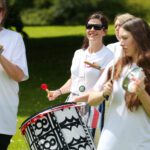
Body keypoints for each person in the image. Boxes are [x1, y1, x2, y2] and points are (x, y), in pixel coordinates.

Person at [74, 17, 150, 150]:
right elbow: (92, 99)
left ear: (139, 38)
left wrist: (142, 93)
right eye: (120, 38)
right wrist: (103, 93)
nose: (120, 43)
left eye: (125, 38)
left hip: (140, 144)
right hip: (109, 143)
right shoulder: (115, 66)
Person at [47, 12, 113, 138]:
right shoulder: (78, 53)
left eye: (97, 27)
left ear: (104, 31)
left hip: (94, 106)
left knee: (89, 142)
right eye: (89, 26)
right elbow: (74, 79)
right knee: (68, 140)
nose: (92, 30)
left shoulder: (109, 56)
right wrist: (58, 92)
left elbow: (104, 85)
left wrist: (81, 100)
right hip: (73, 102)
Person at [0, 0, 29, 149]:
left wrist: (0, 56)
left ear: (3, 13)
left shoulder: (14, 38)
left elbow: (19, 76)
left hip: (3, 116)